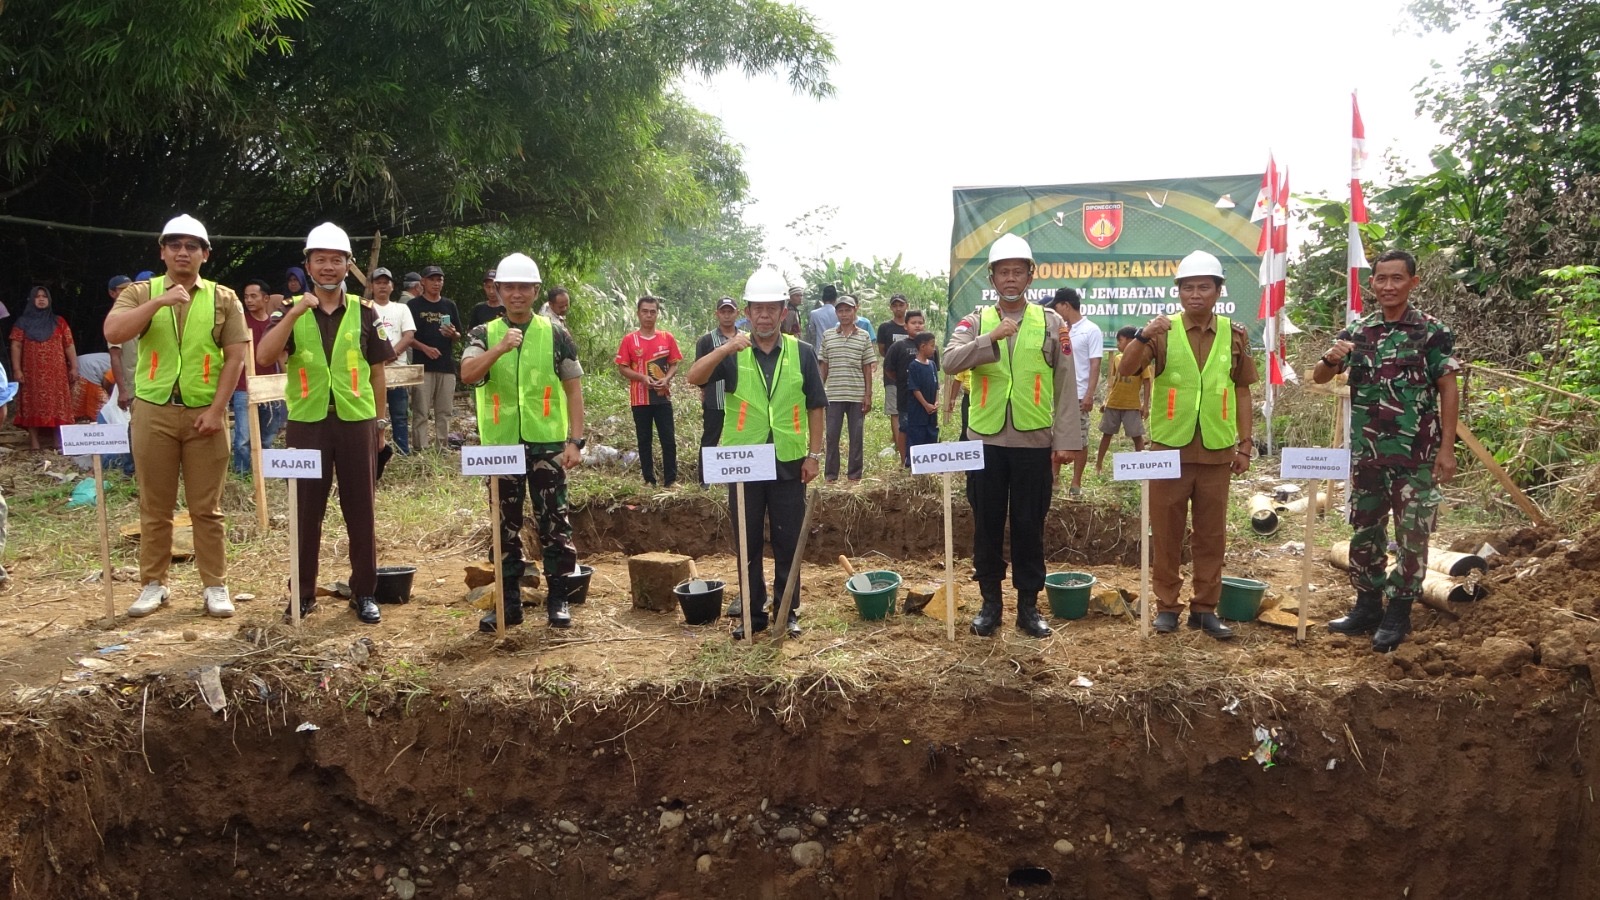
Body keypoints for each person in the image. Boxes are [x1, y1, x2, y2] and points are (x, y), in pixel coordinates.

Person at [104, 215, 248, 619]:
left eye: (192, 246)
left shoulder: (224, 297)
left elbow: (236, 356)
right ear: (162, 251)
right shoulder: (140, 291)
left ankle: (215, 586)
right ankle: (154, 584)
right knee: (155, 505)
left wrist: (218, 410)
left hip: (206, 412)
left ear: (205, 254)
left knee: (207, 507)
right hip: (153, 410)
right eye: (175, 245)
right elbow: (114, 332)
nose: (183, 252)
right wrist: (159, 301)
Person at [1315, 249, 1459, 653]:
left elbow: (1448, 388)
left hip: (1416, 455)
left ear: (1413, 282)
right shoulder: (1359, 330)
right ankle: (1366, 605)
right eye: (1382, 279)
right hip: (1368, 455)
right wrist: (1332, 356)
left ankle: (1399, 611)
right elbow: (1320, 375)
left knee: (1412, 534)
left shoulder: (1432, 332)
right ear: (1372, 283)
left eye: (1398, 279)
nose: (1389, 286)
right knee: (1365, 528)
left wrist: (1446, 449)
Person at [944, 234, 1083, 639]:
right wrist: (991, 339)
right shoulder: (975, 322)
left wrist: (1066, 441)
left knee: (1029, 524)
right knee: (986, 525)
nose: (1010, 278)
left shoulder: (1052, 323)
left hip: (1033, 442)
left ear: (1029, 276)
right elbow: (950, 362)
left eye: (1017, 271)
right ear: (992, 278)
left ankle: (1028, 606)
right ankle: (990, 604)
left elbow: (1064, 383)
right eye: (1003, 272)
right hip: (985, 441)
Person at [256, 223, 395, 625]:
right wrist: (296, 310)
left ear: (349, 265)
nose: (329, 267)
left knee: (361, 510)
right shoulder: (289, 310)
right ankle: (302, 594)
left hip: (356, 422)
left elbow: (378, 373)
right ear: (308, 265)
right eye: (321, 260)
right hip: (307, 423)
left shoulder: (366, 312)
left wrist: (380, 423)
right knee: (305, 511)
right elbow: (265, 355)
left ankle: (364, 592)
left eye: (337, 260)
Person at [1118, 250, 1256, 640]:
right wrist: (1144, 335)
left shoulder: (1236, 334)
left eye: (1204, 287)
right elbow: (1127, 370)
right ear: (1178, 292)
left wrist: (1245, 445)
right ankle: (1167, 607)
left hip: (1215, 448)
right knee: (1166, 531)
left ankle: (1204, 608)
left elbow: (1243, 390)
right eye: (1188, 287)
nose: (1196, 295)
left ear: (1218, 290)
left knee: (1211, 534)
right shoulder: (1162, 332)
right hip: (1169, 450)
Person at [687, 266, 826, 639]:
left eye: (772, 309)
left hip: (788, 460)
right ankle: (753, 613)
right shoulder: (734, 353)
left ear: (784, 312)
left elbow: (816, 405)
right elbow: (693, 377)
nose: (764, 316)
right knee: (747, 543)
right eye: (757, 309)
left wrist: (815, 455)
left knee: (786, 539)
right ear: (747, 313)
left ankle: (786, 611)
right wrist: (725, 348)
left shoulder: (803, 352)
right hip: (744, 463)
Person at [459, 252, 588, 631]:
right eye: (508, 287)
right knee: (504, 525)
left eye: (524, 288)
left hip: (547, 443)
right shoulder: (483, 334)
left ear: (535, 292)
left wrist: (575, 441)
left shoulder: (556, 333)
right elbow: (467, 373)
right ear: (497, 291)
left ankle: (558, 599)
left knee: (554, 523)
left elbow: (573, 389)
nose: (516, 294)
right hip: (500, 446)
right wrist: (500, 349)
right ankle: (509, 603)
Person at [614, 296, 682, 488]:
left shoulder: (667, 337)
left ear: (657, 314)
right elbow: (622, 367)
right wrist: (642, 378)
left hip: (662, 396)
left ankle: (671, 480)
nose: (649, 315)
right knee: (644, 440)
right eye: (645, 311)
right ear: (638, 313)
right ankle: (648, 479)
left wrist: (666, 379)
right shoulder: (629, 340)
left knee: (668, 439)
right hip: (640, 398)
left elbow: (674, 364)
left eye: (653, 311)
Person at [229, 278, 288, 473]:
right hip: (243, 386)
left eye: (253, 296)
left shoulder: (275, 323)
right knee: (243, 437)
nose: (249, 300)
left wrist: (285, 383)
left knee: (268, 436)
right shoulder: (239, 322)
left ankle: (264, 473)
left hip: (269, 388)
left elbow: (282, 355)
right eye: (246, 297)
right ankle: (243, 474)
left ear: (266, 299)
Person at [1048, 288, 1102, 496]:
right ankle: (1054, 479)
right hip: (1056, 392)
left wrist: (1090, 394)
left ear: (1065, 305)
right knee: (1054, 436)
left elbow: (1095, 364)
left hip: (1078, 393)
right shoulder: (1062, 330)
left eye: (1057, 306)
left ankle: (1076, 483)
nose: (1056, 311)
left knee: (1080, 439)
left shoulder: (1091, 330)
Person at [10, 286, 77, 451]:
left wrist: (74, 366)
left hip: (57, 373)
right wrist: (17, 370)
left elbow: (69, 345)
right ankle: (35, 443)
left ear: (49, 300)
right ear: (31, 300)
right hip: (32, 373)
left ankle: (57, 442)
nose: (41, 299)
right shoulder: (22, 323)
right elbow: (16, 346)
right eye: (37, 296)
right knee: (32, 404)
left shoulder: (58, 322)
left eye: (44, 296)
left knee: (57, 404)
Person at [817, 294, 873, 483]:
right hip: (833, 394)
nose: (844, 314)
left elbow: (867, 367)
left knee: (856, 437)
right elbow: (823, 365)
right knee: (832, 436)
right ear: (836, 313)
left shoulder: (863, 336)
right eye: (840, 311)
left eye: (847, 310)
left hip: (856, 394)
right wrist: (819, 391)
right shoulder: (828, 336)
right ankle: (831, 476)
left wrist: (868, 394)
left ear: (854, 311)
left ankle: (854, 476)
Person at [406, 264, 461, 452]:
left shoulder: (449, 305)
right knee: (421, 411)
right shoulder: (413, 305)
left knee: (444, 411)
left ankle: (441, 447)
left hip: (446, 366)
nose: (436, 283)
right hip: (422, 365)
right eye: (432, 279)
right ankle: (420, 448)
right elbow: (407, 336)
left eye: (440, 279)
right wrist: (425, 348)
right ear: (423, 281)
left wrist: (453, 334)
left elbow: (459, 335)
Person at [694, 296, 741, 487]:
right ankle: (706, 480)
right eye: (723, 311)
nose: (727, 315)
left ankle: (738, 478)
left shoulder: (746, 338)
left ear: (737, 313)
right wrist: (703, 390)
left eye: (730, 311)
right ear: (717, 314)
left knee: (738, 439)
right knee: (710, 438)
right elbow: (699, 370)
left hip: (740, 400)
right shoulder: (706, 341)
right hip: (715, 398)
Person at [369, 268, 417, 455]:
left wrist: (389, 355)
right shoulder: (365, 307)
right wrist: (377, 359)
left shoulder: (401, 308)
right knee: (371, 414)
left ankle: (402, 452)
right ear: (372, 286)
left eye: (386, 282)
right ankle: (373, 452)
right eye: (378, 282)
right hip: (372, 371)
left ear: (392, 286)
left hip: (397, 371)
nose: (382, 286)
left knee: (399, 415)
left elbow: (409, 335)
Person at [1095, 325, 1152, 473]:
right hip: (1114, 404)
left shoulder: (1141, 360)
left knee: (1137, 437)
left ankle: (1142, 468)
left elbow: (1147, 382)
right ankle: (1098, 465)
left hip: (1132, 405)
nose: (1117, 345)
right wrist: (1106, 401)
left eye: (1120, 341)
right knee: (1106, 435)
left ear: (1131, 341)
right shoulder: (1117, 359)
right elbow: (1114, 383)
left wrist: (1145, 405)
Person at [885, 309, 934, 466]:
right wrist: (902, 381)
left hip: (928, 399)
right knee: (905, 428)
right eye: (913, 323)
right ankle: (904, 461)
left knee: (926, 428)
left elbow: (934, 371)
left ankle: (924, 462)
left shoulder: (931, 346)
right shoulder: (898, 346)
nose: (917, 326)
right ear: (905, 326)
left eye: (920, 323)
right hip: (906, 397)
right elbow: (889, 369)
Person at [877, 293, 911, 461]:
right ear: (891, 308)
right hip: (892, 376)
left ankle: (909, 444)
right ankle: (900, 447)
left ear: (907, 306)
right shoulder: (885, 327)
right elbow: (882, 350)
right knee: (895, 411)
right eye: (895, 305)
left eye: (901, 305)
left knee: (910, 410)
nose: (898, 308)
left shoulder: (912, 325)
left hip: (911, 377)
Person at [106, 275, 138, 414]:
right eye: (123, 289)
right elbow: (115, 356)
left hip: (148, 381)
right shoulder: (116, 318)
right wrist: (123, 391)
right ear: (112, 293)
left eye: (131, 288)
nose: (129, 291)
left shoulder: (139, 312)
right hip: (131, 385)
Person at [904, 332, 940, 451]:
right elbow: (915, 389)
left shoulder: (933, 365)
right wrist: (925, 405)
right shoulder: (914, 366)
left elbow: (936, 386)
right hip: (918, 412)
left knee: (931, 437)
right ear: (922, 347)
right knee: (917, 438)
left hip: (931, 413)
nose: (934, 349)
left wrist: (936, 402)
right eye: (932, 345)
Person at [806, 284, 840, 349]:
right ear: (835, 299)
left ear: (823, 299)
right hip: (836, 349)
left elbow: (813, 332)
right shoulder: (839, 313)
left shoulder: (814, 314)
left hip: (820, 349)